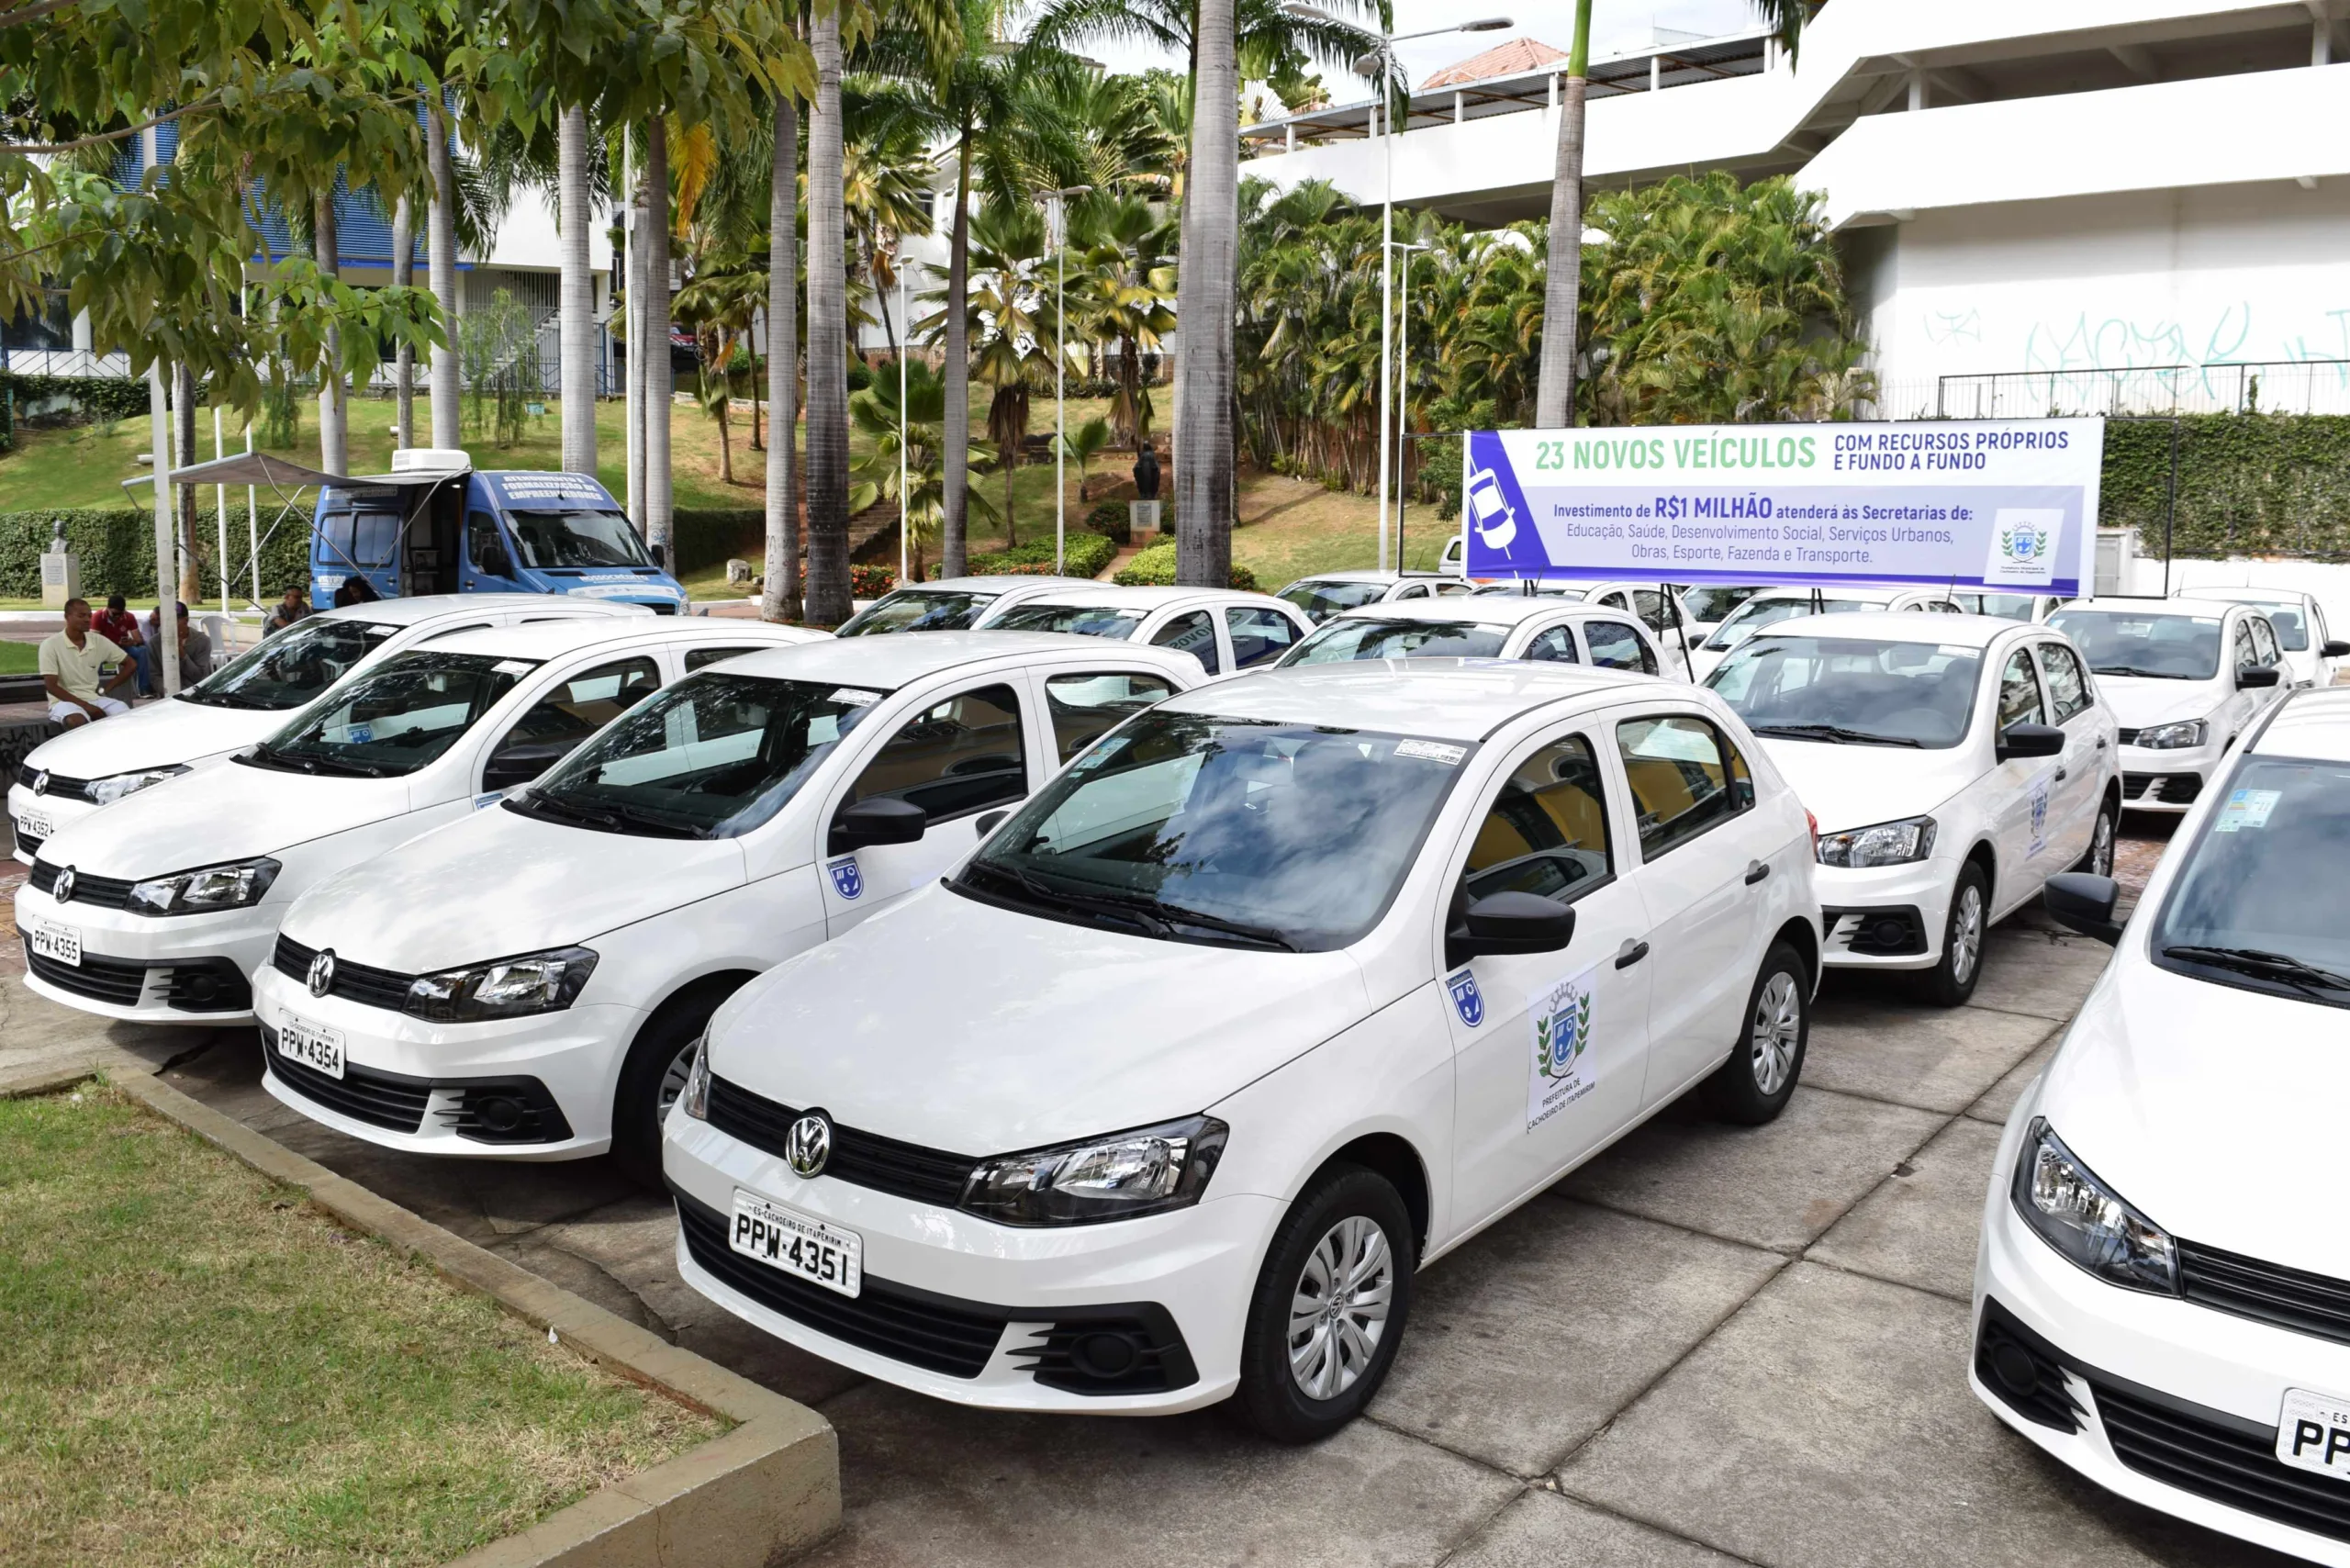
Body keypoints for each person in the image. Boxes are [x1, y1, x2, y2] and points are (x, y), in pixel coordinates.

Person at [38, 597, 136, 728]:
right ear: (67, 617)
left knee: (123, 713)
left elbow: (131, 664)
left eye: (90, 615)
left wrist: (106, 689)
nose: (87, 619)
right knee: (77, 720)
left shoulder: (97, 641)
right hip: (63, 702)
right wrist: (86, 706)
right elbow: (51, 686)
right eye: (81, 615)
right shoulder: (50, 645)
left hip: (94, 698)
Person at [92, 593, 153, 696]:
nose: (117, 617)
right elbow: (93, 640)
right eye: (114, 614)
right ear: (108, 609)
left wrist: (131, 642)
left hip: (122, 648)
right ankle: (95, 689)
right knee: (93, 657)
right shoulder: (98, 617)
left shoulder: (128, 617)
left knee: (142, 651)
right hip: (103, 650)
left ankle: (144, 688)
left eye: (120, 614)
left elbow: (138, 639)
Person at [144, 600, 212, 689]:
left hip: (195, 691)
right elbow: (155, 676)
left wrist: (182, 653)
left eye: (173, 620)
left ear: (186, 620)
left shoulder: (203, 641)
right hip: (168, 693)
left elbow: (199, 677)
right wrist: (169, 691)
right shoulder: (154, 643)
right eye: (165, 620)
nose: (168, 625)